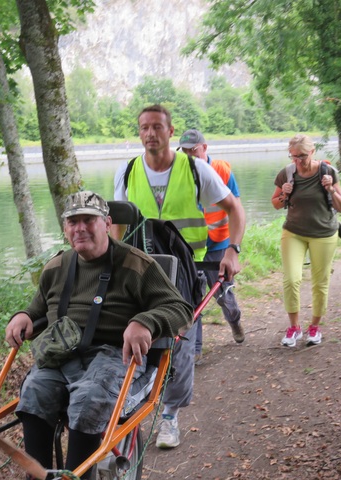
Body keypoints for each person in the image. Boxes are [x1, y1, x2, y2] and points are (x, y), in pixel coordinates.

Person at [5, 191, 192, 479]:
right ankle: (38, 475)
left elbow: (180, 309)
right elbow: (37, 308)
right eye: (73, 221)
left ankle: (79, 474)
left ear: (106, 223)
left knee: (91, 396)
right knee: (33, 391)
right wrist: (23, 316)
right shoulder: (55, 268)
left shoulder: (137, 265)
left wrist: (145, 321)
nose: (80, 228)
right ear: (65, 228)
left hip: (116, 355)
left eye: (88, 220)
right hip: (62, 355)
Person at [113, 105, 246, 449]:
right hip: (139, 268)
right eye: (144, 127)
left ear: (170, 132)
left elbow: (234, 208)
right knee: (134, 332)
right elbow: (117, 223)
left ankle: (170, 414)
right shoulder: (127, 171)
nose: (150, 133)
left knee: (180, 341)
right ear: (139, 132)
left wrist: (232, 250)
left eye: (157, 127)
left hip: (186, 268)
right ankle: (132, 404)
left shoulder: (196, 169)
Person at [272, 134, 341, 347]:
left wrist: (330, 189)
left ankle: (314, 327)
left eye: (302, 156)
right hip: (293, 232)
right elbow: (276, 204)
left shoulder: (328, 172)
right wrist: (284, 194)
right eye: (293, 156)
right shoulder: (287, 173)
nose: (298, 160)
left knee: (320, 282)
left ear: (312, 152)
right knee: (291, 279)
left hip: (324, 233)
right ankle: (294, 327)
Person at [177, 129, 245, 364]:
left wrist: (233, 248)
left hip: (219, 243)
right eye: (184, 150)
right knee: (193, 298)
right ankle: (195, 351)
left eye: (193, 150)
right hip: (193, 246)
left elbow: (236, 207)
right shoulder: (179, 173)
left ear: (205, 148)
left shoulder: (222, 170)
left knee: (223, 294)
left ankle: (235, 320)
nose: (188, 154)